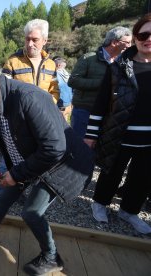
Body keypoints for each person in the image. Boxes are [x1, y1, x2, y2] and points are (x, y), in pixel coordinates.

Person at [0, 49, 94, 275]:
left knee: (31, 212)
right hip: (31, 160)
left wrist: (16, 174)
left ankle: (52, 256)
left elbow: (54, 148)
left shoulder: (28, 97)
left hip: (62, 164)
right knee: (3, 199)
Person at [85, 14, 151, 235]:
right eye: (143, 34)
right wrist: (91, 135)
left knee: (142, 178)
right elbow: (100, 104)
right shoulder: (119, 67)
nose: (148, 38)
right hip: (119, 134)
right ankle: (100, 203)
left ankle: (129, 211)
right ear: (135, 38)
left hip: (149, 141)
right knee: (110, 172)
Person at [68, 26, 132, 137]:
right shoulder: (89, 58)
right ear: (114, 42)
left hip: (110, 114)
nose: (129, 46)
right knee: (81, 149)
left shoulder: (123, 62)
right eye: (127, 42)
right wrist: (102, 84)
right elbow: (73, 81)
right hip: (85, 112)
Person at [2, 18, 59, 103]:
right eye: (27, 39)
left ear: (45, 40)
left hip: (43, 114)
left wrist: (47, 107)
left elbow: (55, 92)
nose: (30, 44)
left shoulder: (51, 64)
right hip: (19, 114)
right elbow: (3, 90)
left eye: (35, 40)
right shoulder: (12, 61)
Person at [54, 57, 72, 122]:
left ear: (58, 65)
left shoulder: (56, 74)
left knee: (59, 123)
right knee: (65, 122)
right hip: (69, 103)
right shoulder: (68, 75)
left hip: (61, 103)